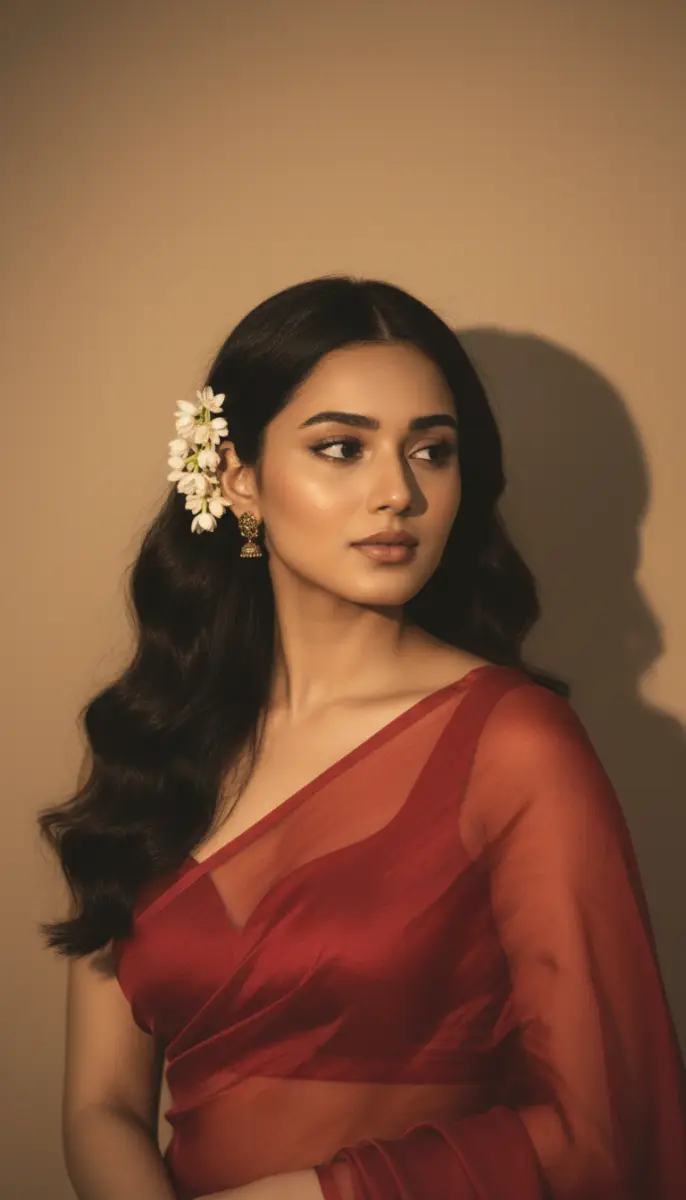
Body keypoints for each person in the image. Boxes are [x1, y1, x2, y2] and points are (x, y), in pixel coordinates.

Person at [39, 276, 686, 1200]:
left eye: (433, 450)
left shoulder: (515, 745)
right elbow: (99, 1103)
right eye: (342, 448)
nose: (398, 492)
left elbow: (604, 1129)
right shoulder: (152, 740)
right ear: (238, 478)